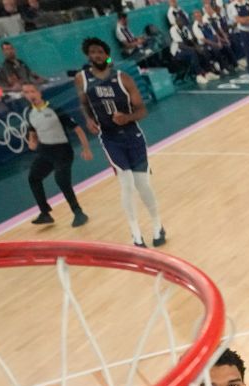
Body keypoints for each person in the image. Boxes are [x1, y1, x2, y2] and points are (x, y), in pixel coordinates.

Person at [76, 37, 165, 247]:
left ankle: (157, 225)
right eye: (92, 52)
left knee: (142, 185)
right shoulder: (82, 79)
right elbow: (83, 104)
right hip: (109, 138)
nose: (96, 55)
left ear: (107, 55)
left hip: (132, 135)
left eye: (100, 52)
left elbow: (142, 110)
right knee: (126, 184)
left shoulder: (123, 78)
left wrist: (127, 117)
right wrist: (89, 119)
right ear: (88, 55)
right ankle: (135, 234)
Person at [22, 82, 90, 228]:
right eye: (26, 92)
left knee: (61, 180)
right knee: (33, 178)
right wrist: (31, 142)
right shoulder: (29, 112)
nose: (30, 95)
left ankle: (78, 212)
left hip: (62, 152)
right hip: (45, 152)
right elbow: (33, 132)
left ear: (39, 93)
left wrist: (86, 149)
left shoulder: (54, 109)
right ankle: (45, 213)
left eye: (32, 91)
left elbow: (78, 129)